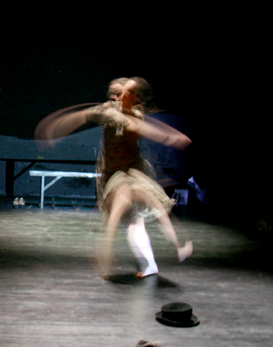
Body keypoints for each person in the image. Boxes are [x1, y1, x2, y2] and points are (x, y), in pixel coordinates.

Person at [36, 77, 192, 278]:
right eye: (114, 93)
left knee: (147, 211)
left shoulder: (131, 115)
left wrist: (169, 137)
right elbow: (83, 115)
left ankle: (172, 248)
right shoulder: (109, 112)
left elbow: (137, 127)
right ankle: (130, 260)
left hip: (132, 172)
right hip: (116, 173)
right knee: (132, 221)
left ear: (134, 97)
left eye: (122, 92)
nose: (116, 96)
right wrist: (55, 130)